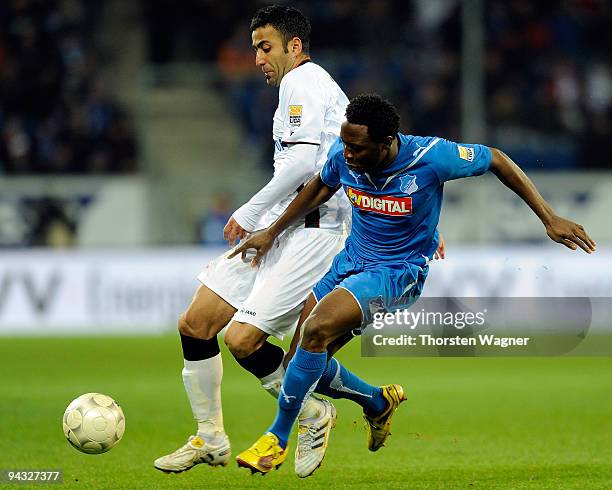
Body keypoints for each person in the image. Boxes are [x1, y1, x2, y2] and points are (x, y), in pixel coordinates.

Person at [230, 93, 597, 475]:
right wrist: (272, 232)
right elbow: (322, 185)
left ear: (386, 142)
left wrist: (549, 218)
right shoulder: (346, 154)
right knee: (298, 365)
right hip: (350, 262)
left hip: (396, 273)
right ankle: (376, 402)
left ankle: (277, 437)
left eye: (357, 147)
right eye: (345, 144)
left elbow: (497, 159)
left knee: (316, 329)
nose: (347, 153)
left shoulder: (431, 157)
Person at [155, 6, 405, 479]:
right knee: (196, 323)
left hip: (312, 233)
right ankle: (210, 438)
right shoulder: (306, 88)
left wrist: (249, 213)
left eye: (264, 47)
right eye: (254, 48)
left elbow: (303, 166)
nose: (257, 59)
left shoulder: (303, 83)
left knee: (245, 340)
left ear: (294, 47)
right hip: (280, 224)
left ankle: (313, 414)